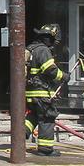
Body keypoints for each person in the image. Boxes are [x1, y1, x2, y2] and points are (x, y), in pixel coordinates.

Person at [25, 23, 66, 157]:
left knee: (34, 116)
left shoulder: (31, 48)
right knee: (47, 118)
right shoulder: (43, 50)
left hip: (30, 92)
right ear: (49, 38)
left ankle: (21, 134)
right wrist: (63, 76)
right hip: (41, 92)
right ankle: (46, 149)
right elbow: (50, 69)